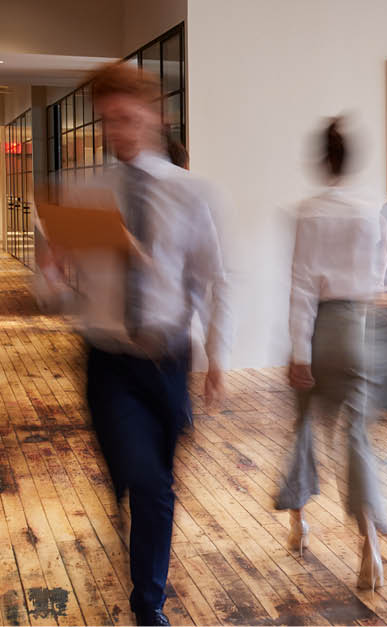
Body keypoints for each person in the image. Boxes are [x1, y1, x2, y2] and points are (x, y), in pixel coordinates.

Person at [39, 63, 230, 626]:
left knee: (154, 487)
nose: (115, 130)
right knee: (145, 481)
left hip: (168, 359)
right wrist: (49, 269)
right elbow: (46, 288)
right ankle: (149, 608)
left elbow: (210, 279)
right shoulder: (83, 191)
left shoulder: (192, 192)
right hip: (109, 361)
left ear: (153, 115)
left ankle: (146, 583)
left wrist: (217, 356)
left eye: (125, 117)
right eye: (106, 120)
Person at [276, 118, 387, 590]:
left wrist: (299, 351)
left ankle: (299, 523)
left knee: (304, 426)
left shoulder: (308, 212)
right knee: (357, 438)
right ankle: (370, 549)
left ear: (322, 160)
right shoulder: (371, 214)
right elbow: (379, 273)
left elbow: (303, 285)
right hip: (364, 329)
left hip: (324, 327)